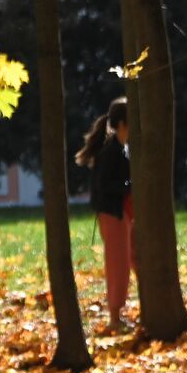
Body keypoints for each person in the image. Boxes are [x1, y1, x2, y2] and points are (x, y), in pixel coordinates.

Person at [75, 98, 132, 333]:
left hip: (122, 213)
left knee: (131, 260)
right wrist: (129, 186)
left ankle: (120, 313)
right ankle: (115, 317)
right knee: (118, 264)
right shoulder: (111, 152)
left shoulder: (122, 149)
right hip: (113, 214)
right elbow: (103, 185)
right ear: (121, 124)